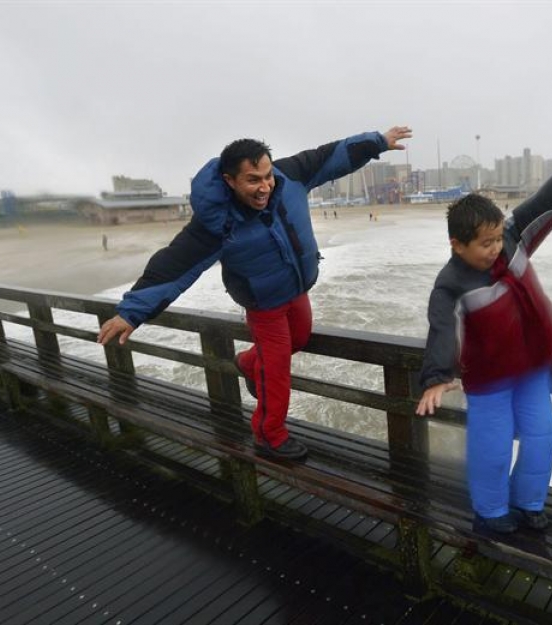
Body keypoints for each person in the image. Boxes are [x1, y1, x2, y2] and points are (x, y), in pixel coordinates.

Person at [97, 126, 412, 460]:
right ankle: (269, 435)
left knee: (301, 338)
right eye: (253, 180)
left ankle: (248, 363)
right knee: (276, 371)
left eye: (267, 176)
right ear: (230, 180)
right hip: (263, 304)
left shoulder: (288, 177)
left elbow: (330, 156)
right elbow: (172, 267)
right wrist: (130, 312)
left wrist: (378, 141)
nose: (264, 187)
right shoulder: (216, 224)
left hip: (296, 289)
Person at [416, 137, 552, 534]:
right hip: (490, 380)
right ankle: (491, 511)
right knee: (492, 451)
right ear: (457, 245)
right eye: (485, 244)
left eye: (498, 238)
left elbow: (541, 208)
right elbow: (441, 330)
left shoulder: (512, 241)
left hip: (531, 368)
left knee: (543, 437)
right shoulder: (450, 283)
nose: (496, 249)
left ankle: (529, 503)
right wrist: (435, 377)